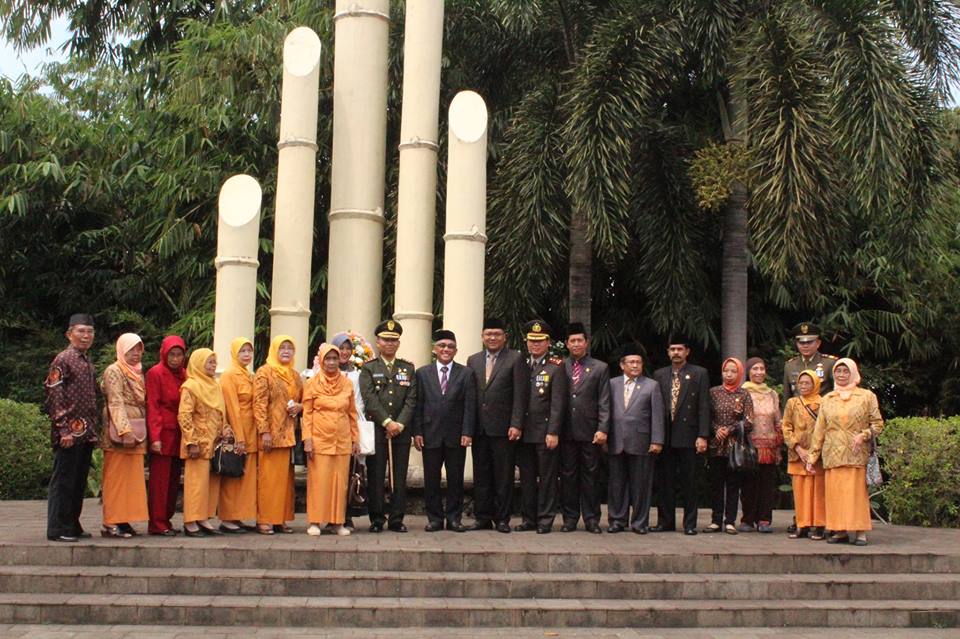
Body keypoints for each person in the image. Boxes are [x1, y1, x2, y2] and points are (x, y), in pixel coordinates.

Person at [807, 358, 883, 546]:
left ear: (853, 373)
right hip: (833, 454)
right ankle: (839, 530)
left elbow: (878, 424)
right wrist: (812, 456)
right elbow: (819, 430)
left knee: (855, 495)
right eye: (838, 372)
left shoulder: (866, 396)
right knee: (835, 495)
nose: (841, 375)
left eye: (845, 371)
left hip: (855, 454)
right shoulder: (827, 399)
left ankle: (860, 532)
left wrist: (864, 435)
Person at [466, 318, 527, 533]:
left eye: (497, 334)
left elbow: (520, 394)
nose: (492, 338)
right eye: (488, 334)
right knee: (481, 475)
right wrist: (468, 428)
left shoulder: (515, 358)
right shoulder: (473, 360)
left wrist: (517, 423)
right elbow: (471, 396)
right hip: (480, 429)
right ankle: (482, 518)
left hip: (504, 429)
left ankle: (502, 519)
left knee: (503, 476)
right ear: (482, 337)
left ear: (505, 337)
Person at [412, 329, 476, 532]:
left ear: (456, 350)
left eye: (450, 346)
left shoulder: (466, 373)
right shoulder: (422, 373)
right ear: (434, 349)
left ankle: (454, 518)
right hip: (430, 434)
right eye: (442, 346)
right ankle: (435, 519)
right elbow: (418, 405)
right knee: (431, 479)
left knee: (455, 479)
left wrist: (467, 432)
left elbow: (469, 405)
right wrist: (418, 432)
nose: (446, 349)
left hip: (456, 436)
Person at [44, 313, 99, 542]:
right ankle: (57, 527)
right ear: (69, 334)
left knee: (78, 481)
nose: (86, 336)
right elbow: (54, 394)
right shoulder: (62, 359)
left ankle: (72, 524)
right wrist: (63, 429)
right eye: (81, 331)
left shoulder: (86, 361)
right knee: (64, 481)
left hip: (86, 432)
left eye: (89, 332)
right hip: (69, 431)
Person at [359, 320, 418, 533]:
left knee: (399, 475)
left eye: (394, 340)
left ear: (399, 343)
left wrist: (399, 424)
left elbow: (412, 399)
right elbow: (369, 398)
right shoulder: (369, 368)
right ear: (378, 342)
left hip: (401, 431)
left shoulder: (408, 368)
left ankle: (396, 518)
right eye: (386, 340)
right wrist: (387, 422)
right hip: (377, 429)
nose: (390, 344)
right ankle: (376, 518)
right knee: (375, 476)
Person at [604, 344, 664, 534]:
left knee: (641, 485)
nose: (635, 365)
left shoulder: (651, 385)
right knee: (616, 484)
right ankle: (617, 521)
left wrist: (657, 440)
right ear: (622, 365)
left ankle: (639, 522)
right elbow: (605, 411)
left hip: (641, 441)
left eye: (638, 362)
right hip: (616, 441)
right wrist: (603, 435)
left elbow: (657, 415)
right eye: (631, 362)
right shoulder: (612, 384)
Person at [653, 336, 710, 535]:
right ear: (668, 352)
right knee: (665, 482)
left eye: (679, 349)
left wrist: (703, 435)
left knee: (690, 482)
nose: (675, 353)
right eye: (672, 349)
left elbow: (703, 406)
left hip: (689, 435)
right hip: (665, 437)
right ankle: (665, 522)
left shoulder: (699, 373)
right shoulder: (660, 375)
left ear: (687, 352)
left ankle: (690, 524)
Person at [302, 343, 361, 536]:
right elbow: (307, 414)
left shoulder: (347, 383)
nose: (331, 362)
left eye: (335, 359)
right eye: (327, 358)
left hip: (342, 440)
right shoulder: (312, 383)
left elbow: (352, 413)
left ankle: (337, 522)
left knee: (339, 483)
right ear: (320, 360)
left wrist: (355, 439)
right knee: (319, 482)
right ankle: (315, 522)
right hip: (319, 439)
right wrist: (307, 440)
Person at [516, 321, 567, 534]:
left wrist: (553, 431)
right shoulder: (520, 363)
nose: (535, 345)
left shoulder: (556, 366)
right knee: (526, 478)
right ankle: (529, 518)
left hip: (545, 432)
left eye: (540, 341)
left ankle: (545, 519)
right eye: (531, 341)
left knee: (546, 478)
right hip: (523, 431)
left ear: (548, 342)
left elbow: (558, 403)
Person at [559, 322, 610, 534]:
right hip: (565, 431)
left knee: (591, 477)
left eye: (580, 340)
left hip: (591, 432)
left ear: (587, 343)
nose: (576, 344)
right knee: (568, 476)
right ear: (567, 344)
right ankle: (570, 518)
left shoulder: (600, 367)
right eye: (573, 341)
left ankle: (591, 519)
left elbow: (604, 401)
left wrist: (603, 428)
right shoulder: (559, 366)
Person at [99, 333, 149, 538]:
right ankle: (110, 522)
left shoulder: (137, 372)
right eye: (131, 350)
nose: (135, 354)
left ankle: (124, 519)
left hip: (137, 431)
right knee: (116, 479)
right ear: (121, 350)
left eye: (138, 349)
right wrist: (125, 430)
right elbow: (115, 402)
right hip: (120, 433)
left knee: (131, 480)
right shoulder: (114, 370)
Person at [253, 335, 303, 535]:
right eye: (282, 347)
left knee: (285, 481)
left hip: (288, 434)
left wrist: (300, 407)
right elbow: (259, 403)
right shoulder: (264, 372)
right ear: (274, 349)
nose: (286, 351)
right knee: (268, 479)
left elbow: (303, 400)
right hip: (270, 435)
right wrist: (264, 431)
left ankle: (280, 518)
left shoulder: (295, 375)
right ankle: (265, 519)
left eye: (290, 348)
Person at [178, 348, 228, 537]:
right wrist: (191, 441)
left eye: (214, 362)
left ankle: (204, 518)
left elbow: (220, 412)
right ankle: (191, 521)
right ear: (198, 363)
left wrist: (224, 430)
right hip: (198, 443)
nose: (213, 366)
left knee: (210, 484)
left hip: (214, 443)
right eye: (209, 362)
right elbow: (184, 415)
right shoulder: (191, 386)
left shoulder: (214, 386)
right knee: (196, 484)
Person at [705, 357, 754, 535]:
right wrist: (717, 429)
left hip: (735, 446)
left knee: (733, 484)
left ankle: (730, 521)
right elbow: (706, 417)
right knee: (716, 484)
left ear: (740, 373)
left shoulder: (744, 394)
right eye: (726, 371)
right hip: (716, 445)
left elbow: (749, 421)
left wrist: (730, 429)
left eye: (733, 371)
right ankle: (716, 520)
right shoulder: (713, 392)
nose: (729, 374)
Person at [327, 332, 371, 530]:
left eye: (347, 349)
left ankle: (346, 515)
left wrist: (354, 426)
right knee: (329, 475)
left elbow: (359, 402)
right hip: (327, 431)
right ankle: (327, 515)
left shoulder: (356, 375)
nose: (344, 352)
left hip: (349, 427)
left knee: (350, 473)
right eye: (340, 348)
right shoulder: (320, 374)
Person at [146, 335, 187, 536]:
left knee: (173, 480)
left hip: (179, 433)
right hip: (162, 432)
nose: (175, 359)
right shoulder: (156, 373)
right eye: (172, 354)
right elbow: (152, 406)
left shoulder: (184, 375)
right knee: (160, 481)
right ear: (164, 353)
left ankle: (167, 520)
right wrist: (154, 438)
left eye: (179, 355)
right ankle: (157, 522)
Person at [218, 337, 257, 533]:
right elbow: (232, 408)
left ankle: (238, 515)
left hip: (251, 431)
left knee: (244, 476)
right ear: (235, 353)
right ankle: (227, 518)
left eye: (249, 351)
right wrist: (239, 438)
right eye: (242, 351)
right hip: (238, 430)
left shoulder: (248, 375)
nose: (247, 355)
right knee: (232, 475)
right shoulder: (229, 375)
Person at [782, 370, 826, 540]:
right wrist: (798, 448)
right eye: (801, 383)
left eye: (808, 383)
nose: (804, 386)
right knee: (800, 491)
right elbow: (786, 427)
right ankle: (802, 524)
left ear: (815, 384)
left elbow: (825, 429)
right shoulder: (793, 403)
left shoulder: (824, 403)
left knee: (818, 491)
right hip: (797, 454)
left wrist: (814, 452)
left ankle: (819, 525)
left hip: (818, 456)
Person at [739, 357, 782, 533]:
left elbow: (778, 420)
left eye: (761, 369)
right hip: (749, 445)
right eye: (754, 369)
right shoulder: (742, 392)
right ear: (748, 372)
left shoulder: (772, 394)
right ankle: (747, 520)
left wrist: (779, 446)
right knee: (749, 484)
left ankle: (764, 520)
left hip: (769, 446)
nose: (758, 372)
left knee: (767, 484)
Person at [782, 322, 837, 404]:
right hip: (797, 413)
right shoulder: (790, 366)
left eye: (809, 342)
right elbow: (787, 396)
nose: (805, 346)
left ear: (818, 343)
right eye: (802, 343)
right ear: (797, 344)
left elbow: (836, 393)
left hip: (821, 413)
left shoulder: (829, 363)